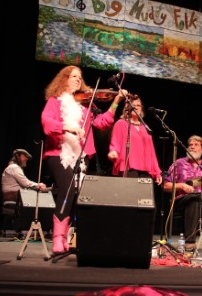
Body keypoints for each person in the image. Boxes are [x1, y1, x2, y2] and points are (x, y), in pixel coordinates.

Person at [41, 65, 116, 255]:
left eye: (79, 77)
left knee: (75, 193)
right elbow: (46, 122)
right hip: (59, 153)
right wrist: (67, 127)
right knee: (67, 189)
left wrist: (116, 102)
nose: (77, 80)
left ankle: (65, 237)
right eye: (73, 76)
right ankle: (57, 238)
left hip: (79, 155)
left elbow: (101, 123)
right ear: (64, 79)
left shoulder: (85, 107)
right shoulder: (55, 101)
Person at [163, 135, 202, 251]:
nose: (192, 147)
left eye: (196, 145)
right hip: (182, 200)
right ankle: (190, 242)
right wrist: (181, 185)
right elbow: (166, 186)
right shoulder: (178, 163)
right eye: (190, 145)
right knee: (193, 199)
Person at [107, 94, 162, 184]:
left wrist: (157, 172)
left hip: (146, 169)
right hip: (129, 168)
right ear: (127, 108)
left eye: (138, 105)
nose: (136, 107)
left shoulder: (145, 127)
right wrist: (113, 151)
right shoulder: (121, 123)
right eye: (133, 105)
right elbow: (115, 143)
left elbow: (151, 151)